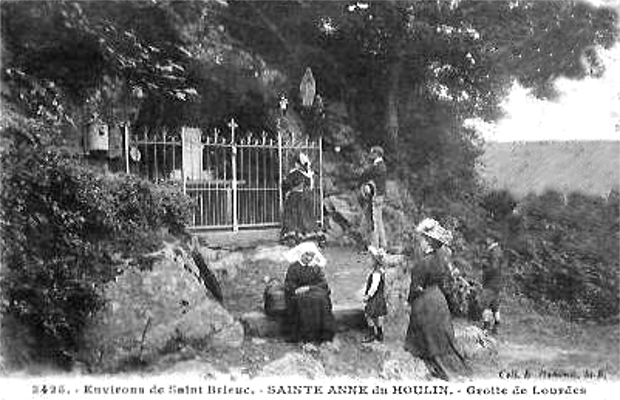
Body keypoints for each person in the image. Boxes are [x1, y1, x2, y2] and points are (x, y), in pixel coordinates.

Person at [404, 218, 469, 381]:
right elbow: (442, 279)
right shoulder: (441, 260)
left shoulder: (423, 263)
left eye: (423, 240)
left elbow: (416, 287)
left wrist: (409, 300)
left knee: (425, 333)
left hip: (425, 300)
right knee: (439, 333)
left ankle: (436, 367)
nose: (420, 243)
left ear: (428, 243)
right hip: (438, 299)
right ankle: (444, 364)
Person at [283, 241, 336, 343]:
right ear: (301, 254)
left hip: (314, 291)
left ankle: (323, 335)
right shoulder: (294, 267)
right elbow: (289, 284)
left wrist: (309, 288)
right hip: (298, 295)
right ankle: (306, 336)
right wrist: (297, 289)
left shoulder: (316, 268)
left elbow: (323, 284)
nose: (308, 258)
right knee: (305, 301)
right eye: (306, 255)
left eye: (311, 256)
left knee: (322, 299)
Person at [281, 153, 323, 246]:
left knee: (293, 216)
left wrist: (285, 182)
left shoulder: (295, 173)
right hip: (306, 197)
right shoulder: (308, 175)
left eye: (296, 163)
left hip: (295, 197)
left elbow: (286, 184)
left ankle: (293, 237)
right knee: (307, 216)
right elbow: (310, 188)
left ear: (298, 164)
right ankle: (311, 236)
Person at [359, 146, 387, 249]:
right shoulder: (378, 165)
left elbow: (367, 174)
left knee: (374, 221)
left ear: (377, 154)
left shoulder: (378, 166)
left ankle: (375, 245)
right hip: (378, 196)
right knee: (378, 221)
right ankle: (383, 244)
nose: (371, 155)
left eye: (372, 153)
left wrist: (364, 171)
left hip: (376, 196)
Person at [362, 246, 388, 343]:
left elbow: (374, 287)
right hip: (379, 298)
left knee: (369, 315)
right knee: (377, 316)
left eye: (370, 259)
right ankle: (380, 334)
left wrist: (368, 296)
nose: (368, 261)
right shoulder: (380, 271)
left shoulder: (376, 273)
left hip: (374, 298)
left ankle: (372, 334)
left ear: (375, 261)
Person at [481, 237, 504, 334]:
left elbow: (494, 267)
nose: (486, 240)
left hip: (491, 283)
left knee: (485, 304)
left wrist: (485, 266)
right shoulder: (497, 250)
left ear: (492, 240)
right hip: (497, 282)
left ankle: (486, 327)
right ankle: (496, 326)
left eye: (488, 238)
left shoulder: (494, 251)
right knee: (495, 305)